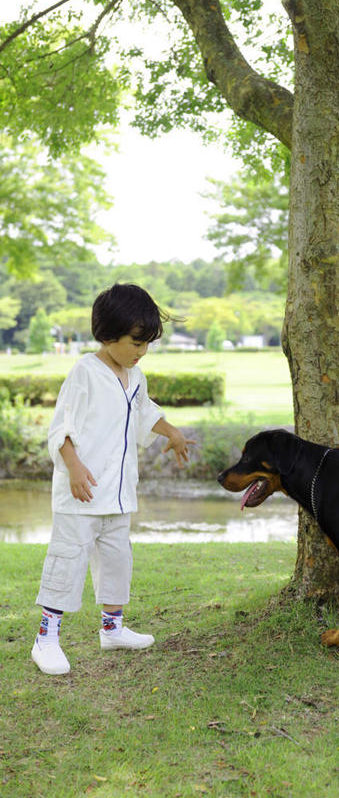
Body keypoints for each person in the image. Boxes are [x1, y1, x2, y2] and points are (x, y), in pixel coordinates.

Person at [32, 283, 193, 675]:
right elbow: (61, 428)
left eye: (147, 344)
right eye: (136, 342)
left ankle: (112, 628)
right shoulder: (85, 373)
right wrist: (73, 466)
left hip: (119, 495)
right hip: (82, 494)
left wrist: (171, 431)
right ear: (108, 335)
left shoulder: (135, 378)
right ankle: (46, 639)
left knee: (118, 562)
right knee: (67, 562)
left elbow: (143, 413)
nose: (142, 352)